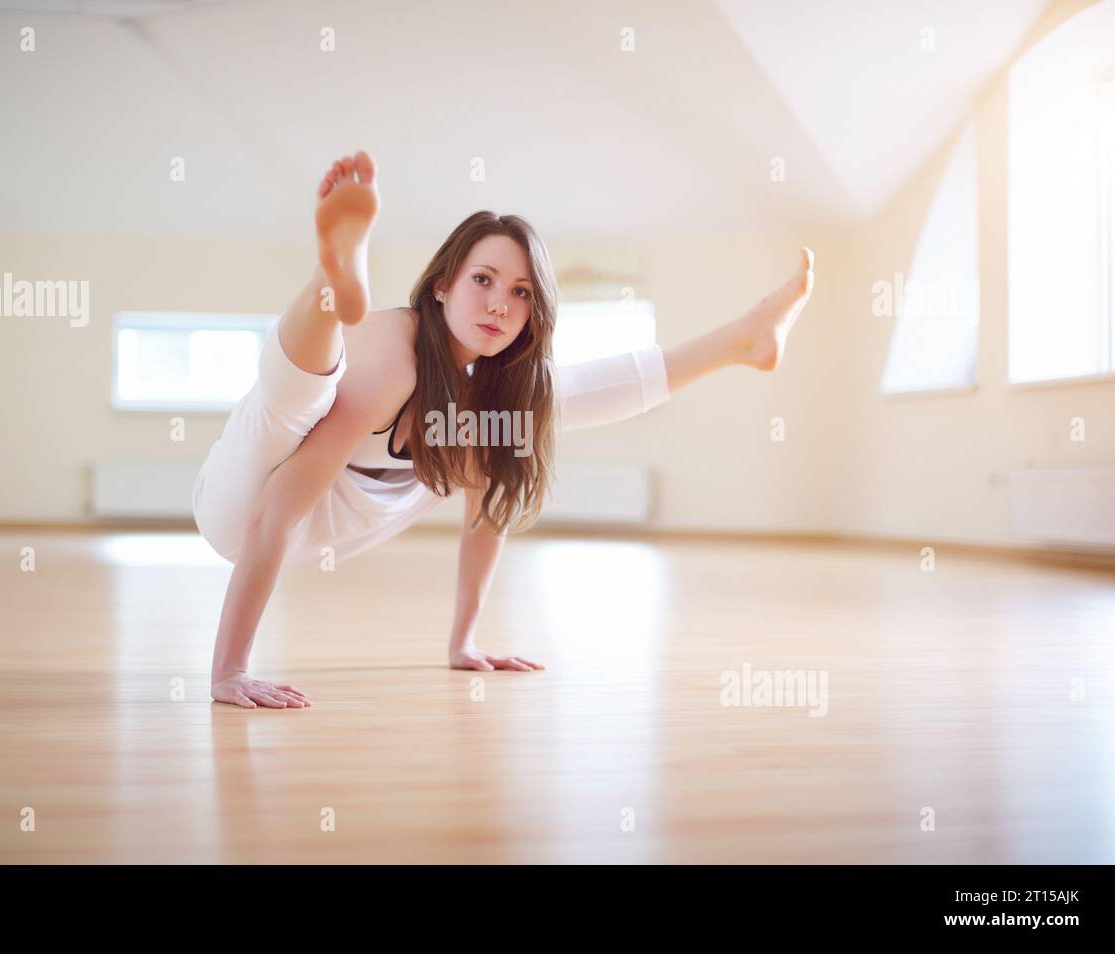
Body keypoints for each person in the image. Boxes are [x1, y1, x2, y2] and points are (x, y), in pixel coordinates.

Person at [192, 150, 814, 710]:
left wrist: (464, 641)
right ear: (442, 286)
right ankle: (330, 286)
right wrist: (230, 670)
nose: (499, 305)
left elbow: (483, 521)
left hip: (328, 525)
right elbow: (274, 510)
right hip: (242, 505)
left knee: (548, 394)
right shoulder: (392, 356)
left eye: (520, 293)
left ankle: (743, 340)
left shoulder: (496, 403)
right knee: (291, 400)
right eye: (482, 280)